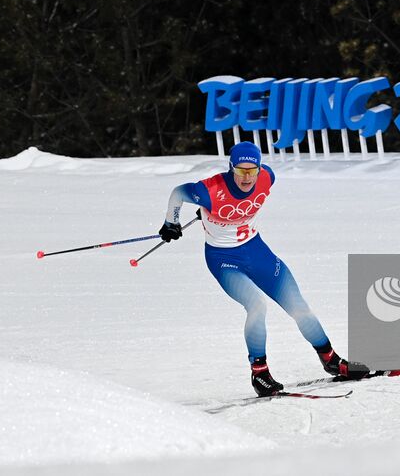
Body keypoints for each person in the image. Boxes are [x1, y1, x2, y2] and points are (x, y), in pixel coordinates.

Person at [158, 140, 369, 396]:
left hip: (256, 250)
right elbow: (179, 193)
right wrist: (171, 222)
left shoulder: (268, 177)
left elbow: (241, 200)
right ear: (231, 168)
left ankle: (331, 360)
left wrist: (213, 214)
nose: (247, 177)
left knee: (298, 306)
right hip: (223, 259)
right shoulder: (209, 190)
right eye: (240, 171)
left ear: (259, 169)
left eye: (252, 170)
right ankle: (260, 374)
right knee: (257, 305)